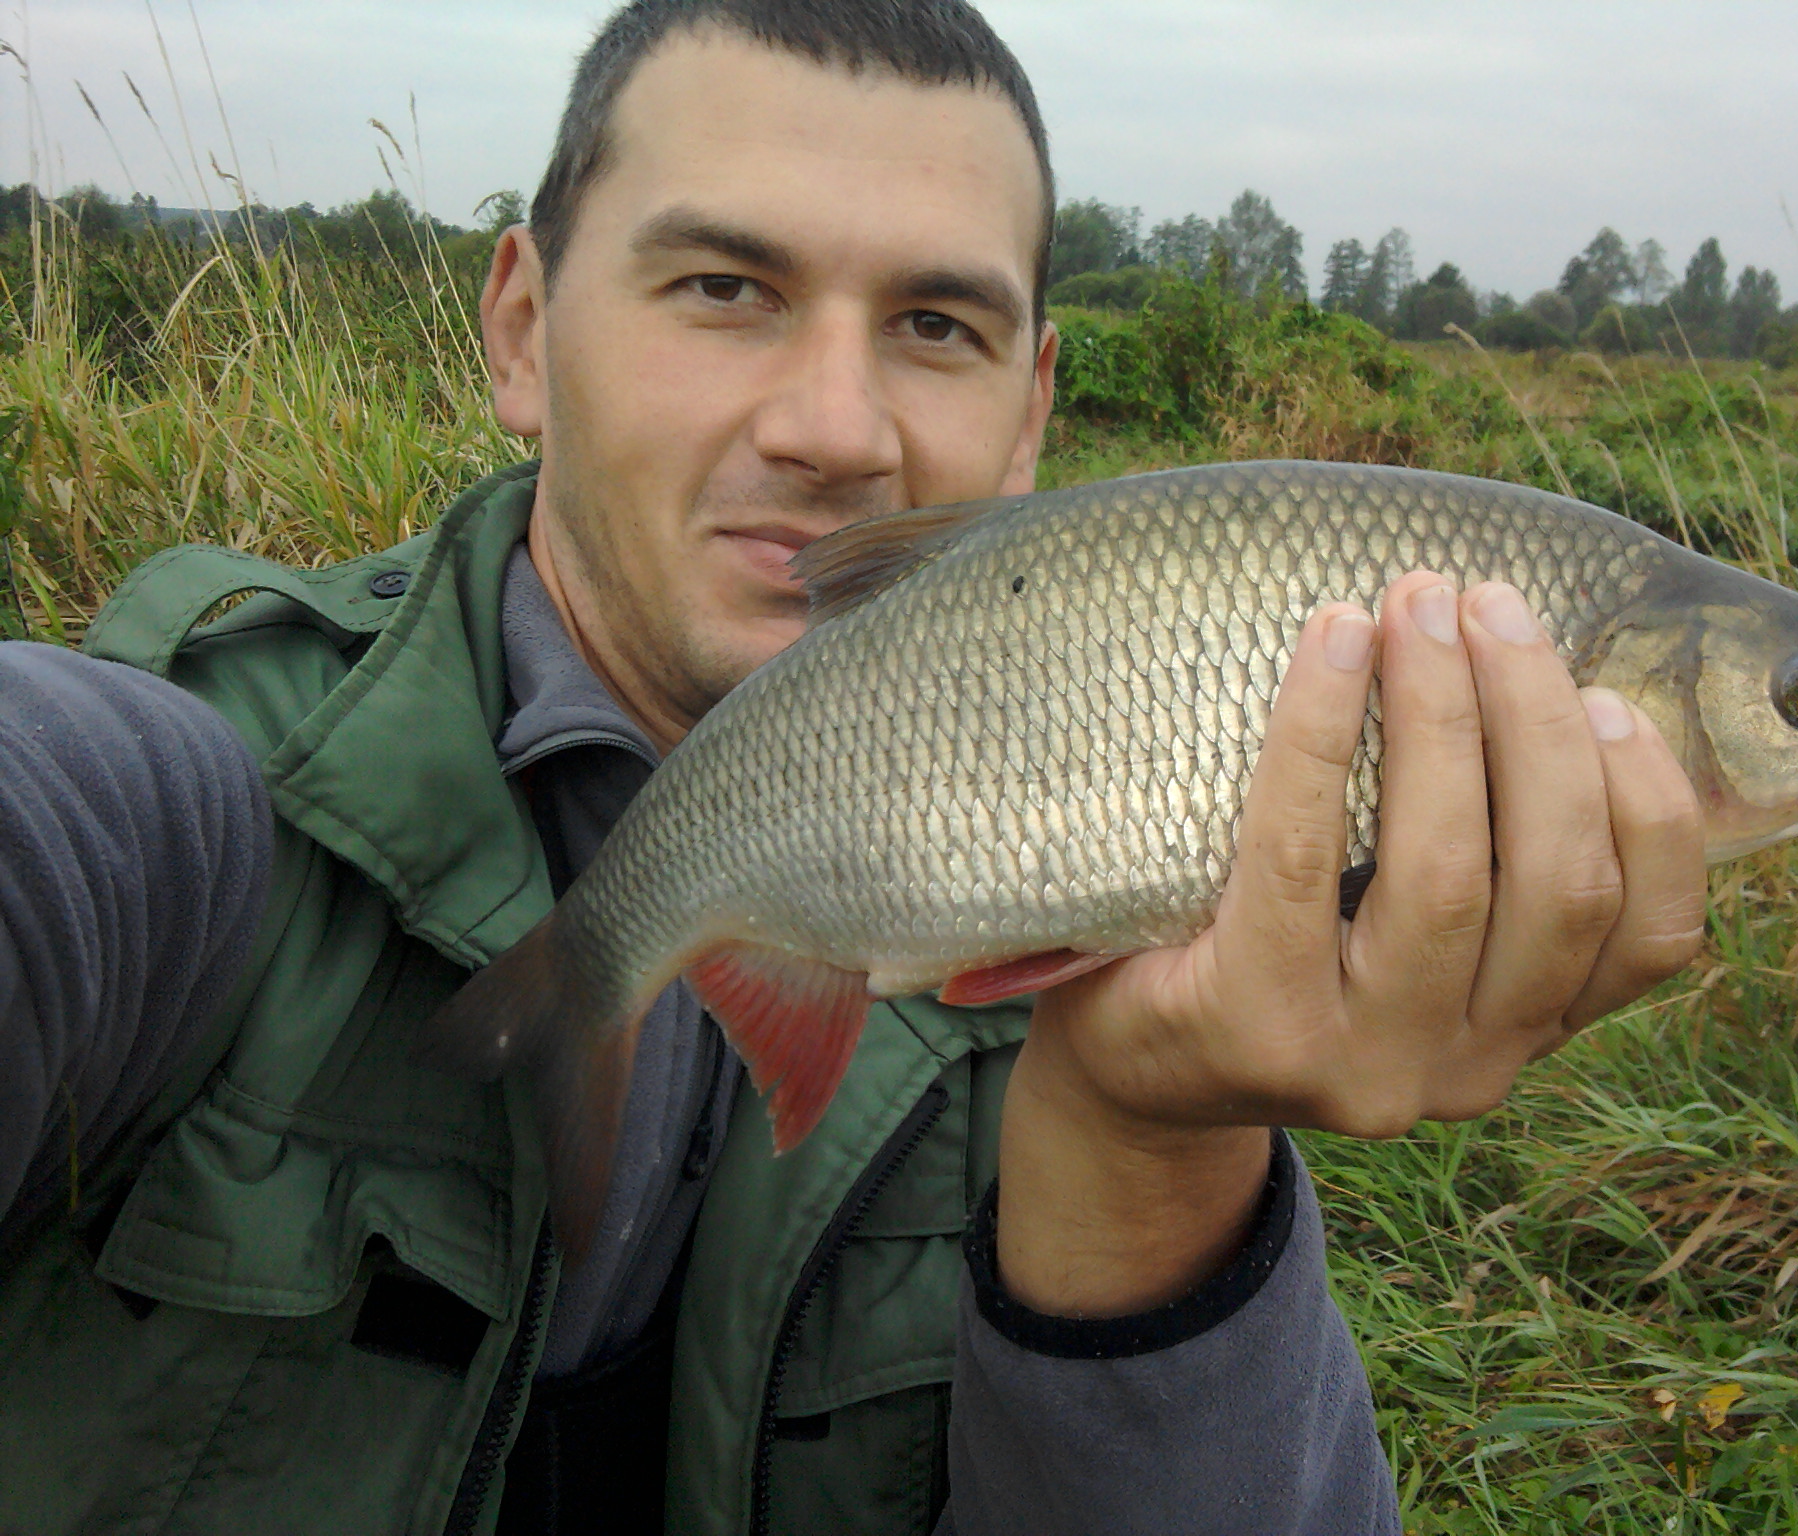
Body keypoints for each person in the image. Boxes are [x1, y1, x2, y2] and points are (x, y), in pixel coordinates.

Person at [0, 2, 1708, 1532]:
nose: (835, 426)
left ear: (1034, 412)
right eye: (724, 288)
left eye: (939, 327)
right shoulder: (179, 793)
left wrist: (1149, 1150)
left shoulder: (1140, 906)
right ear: (521, 331)